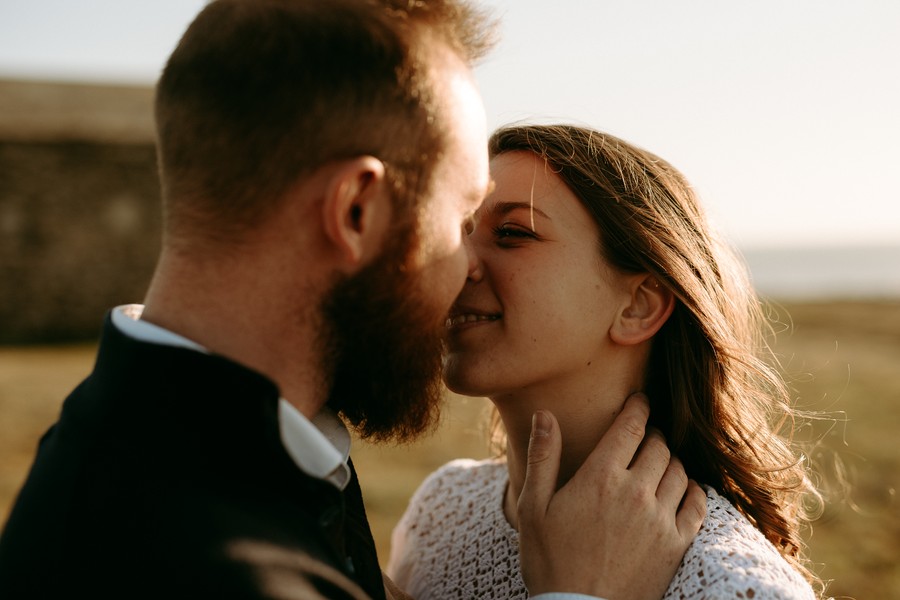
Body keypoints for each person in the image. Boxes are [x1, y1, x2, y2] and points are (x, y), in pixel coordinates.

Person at [0, 2, 706, 599]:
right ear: (358, 212)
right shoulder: (220, 564)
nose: (466, 268)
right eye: (459, 221)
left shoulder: (161, 445)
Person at [387, 124, 824, 599]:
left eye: (512, 233)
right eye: (458, 232)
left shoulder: (736, 587)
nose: (458, 261)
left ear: (638, 305)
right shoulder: (441, 509)